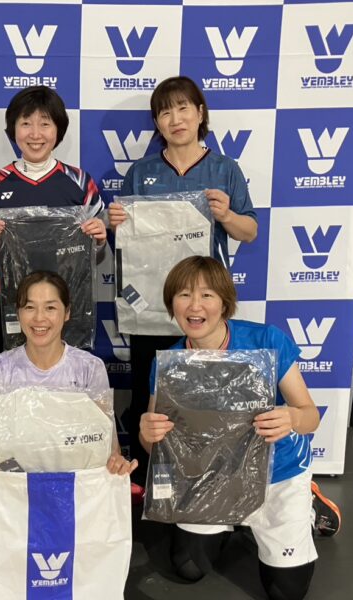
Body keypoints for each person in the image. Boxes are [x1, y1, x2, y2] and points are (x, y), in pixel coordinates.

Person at [139, 256, 328, 600]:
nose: (195, 306)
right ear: (172, 305)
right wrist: (147, 433)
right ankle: (228, 522)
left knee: (286, 592)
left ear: (224, 303)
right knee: (189, 567)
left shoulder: (266, 340)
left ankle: (308, 503)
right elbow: (156, 446)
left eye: (206, 295)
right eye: (184, 295)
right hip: (209, 475)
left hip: (276, 472)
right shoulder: (169, 362)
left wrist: (290, 418)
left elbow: (310, 415)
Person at [106, 76, 257, 488]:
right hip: (152, 304)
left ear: (200, 113)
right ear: (157, 122)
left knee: (208, 393)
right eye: (165, 112)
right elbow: (126, 242)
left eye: (183, 108)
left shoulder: (225, 169)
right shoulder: (142, 172)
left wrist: (227, 215)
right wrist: (116, 224)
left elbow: (249, 231)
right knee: (148, 391)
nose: (175, 119)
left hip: (203, 304)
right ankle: (144, 474)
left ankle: (208, 474)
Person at [0, 86, 107, 352]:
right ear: (13, 129)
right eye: (26, 123)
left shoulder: (80, 181)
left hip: (68, 309)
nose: (35, 134)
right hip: (14, 306)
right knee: (12, 377)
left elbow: (95, 258)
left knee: (70, 378)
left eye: (45, 124)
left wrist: (99, 241)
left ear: (58, 130)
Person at [0, 270, 135, 479]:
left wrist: (116, 461)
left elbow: (108, 444)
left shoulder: (90, 368)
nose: (39, 318)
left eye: (50, 307)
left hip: (74, 486)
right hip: (14, 486)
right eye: (29, 307)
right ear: (18, 313)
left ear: (67, 312)